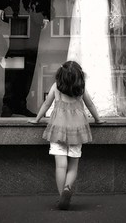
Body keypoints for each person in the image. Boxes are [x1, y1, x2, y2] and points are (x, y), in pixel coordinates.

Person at [28, 61, 105, 210]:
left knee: (60, 166)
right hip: (77, 131)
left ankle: (61, 197)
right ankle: (67, 189)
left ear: (60, 76)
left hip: (58, 130)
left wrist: (37, 119)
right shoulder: (81, 90)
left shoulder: (56, 87)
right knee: (73, 165)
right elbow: (90, 105)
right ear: (79, 77)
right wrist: (98, 119)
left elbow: (46, 104)